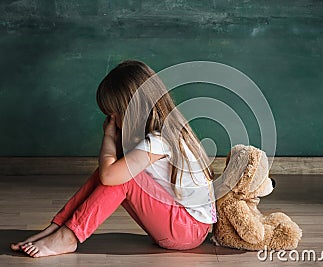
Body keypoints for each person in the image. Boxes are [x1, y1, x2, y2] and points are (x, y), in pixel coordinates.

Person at [11, 60, 217, 257]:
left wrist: (109, 136)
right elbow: (105, 174)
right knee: (111, 172)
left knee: (120, 177)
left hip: (188, 231)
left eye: (113, 115)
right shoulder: (161, 134)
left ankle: (69, 236)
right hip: (184, 226)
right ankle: (58, 227)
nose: (111, 121)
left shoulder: (159, 141)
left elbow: (110, 176)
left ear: (131, 111)